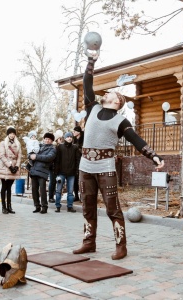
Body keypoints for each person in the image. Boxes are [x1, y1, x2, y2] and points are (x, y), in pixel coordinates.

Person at [72, 53, 165, 260]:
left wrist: (155, 157)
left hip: (105, 168)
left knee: (112, 209)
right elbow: (87, 82)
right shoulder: (92, 108)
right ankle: (89, 242)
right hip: (85, 167)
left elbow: (136, 140)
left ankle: (121, 246)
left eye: (112, 93)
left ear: (117, 101)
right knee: (87, 207)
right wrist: (91, 61)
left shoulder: (120, 120)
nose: (108, 92)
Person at [29, 132, 56, 214]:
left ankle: (44, 206)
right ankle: (37, 206)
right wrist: (30, 156)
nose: (46, 140)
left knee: (42, 190)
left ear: (51, 141)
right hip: (34, 170)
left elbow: (49, 158)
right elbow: (30, 153)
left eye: (49, 139)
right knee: (34, 189)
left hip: (43, 171)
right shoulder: (38, 146)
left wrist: (36, 157)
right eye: (45, 139)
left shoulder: (52, 149)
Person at [0, 127, 22, 214]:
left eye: (13, 133)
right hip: (5, 167)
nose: (12, 135)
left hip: (14, 167)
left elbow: (19, 157)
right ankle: (4, 207)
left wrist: (17, 166)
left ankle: (9, 206)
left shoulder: (17, 144)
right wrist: (9, 166)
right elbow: (2, 155)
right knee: (4, 187)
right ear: (8, 134)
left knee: (9, 187)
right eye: (10, 133)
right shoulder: (3, 143)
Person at [54, 132, 80, 213]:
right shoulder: (60, 147)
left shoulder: (75, 147)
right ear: (64, 138)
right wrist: (56, 172)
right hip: (61, 172)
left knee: (70, 191)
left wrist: (76, 171)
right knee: (58, 190)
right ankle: (57, 206)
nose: (69, 138)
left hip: (71, 173)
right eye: (68, 137)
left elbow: (77, 160)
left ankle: (70, 206)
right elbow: (57, 160)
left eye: (71, 137)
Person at [48, 135, 63, 203]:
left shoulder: (60, 146)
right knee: (52, 182)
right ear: (57, 139)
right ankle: (51, 196)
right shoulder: (54, 147)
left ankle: (54, 196)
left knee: (57, 181)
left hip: (58, 166)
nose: (61, 140)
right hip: (53, 167)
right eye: (60, 139)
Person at [73, 126, 84, 201]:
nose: (73, 132)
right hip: (74, 161)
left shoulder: (83, 139)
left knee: (82, 179)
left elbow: (83, 149)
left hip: (82, 161)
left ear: (78, 132)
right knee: (75, 179)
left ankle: (82, 196)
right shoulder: (73, 139)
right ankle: (76, 195)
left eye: (74, 131)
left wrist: (77, 148)